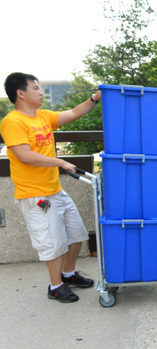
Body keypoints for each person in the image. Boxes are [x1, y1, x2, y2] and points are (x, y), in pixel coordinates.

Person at [1, 72, 102, 303]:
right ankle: (55, 286)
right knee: (53, 244)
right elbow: (24, 156)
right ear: (21, 93)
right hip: (35, 195)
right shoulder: (12, 122)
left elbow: (75, 112)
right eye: (35, 88)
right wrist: (61, 162)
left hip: (55, 189)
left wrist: (94, 98)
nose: (39, 92)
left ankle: (68, 275)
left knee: (76, 235)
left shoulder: (43, 116)